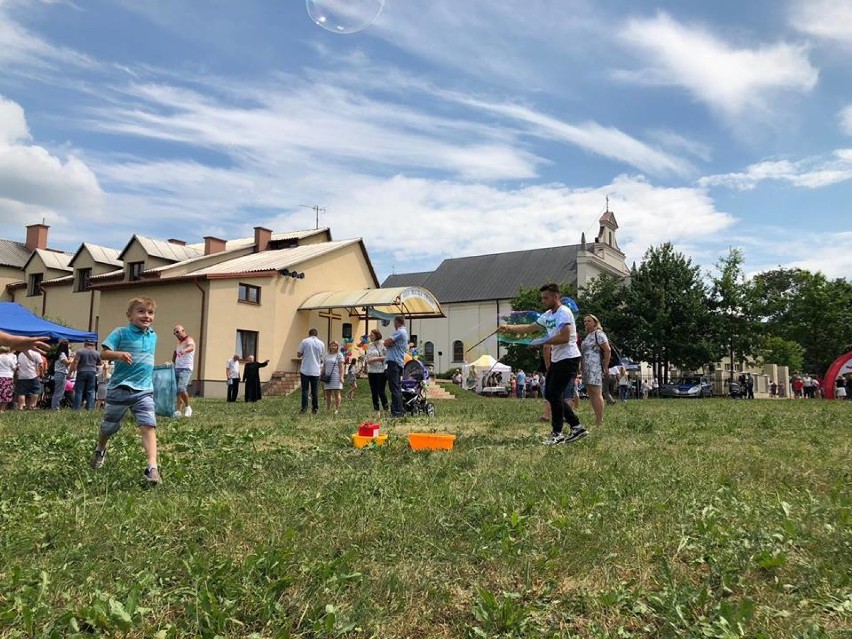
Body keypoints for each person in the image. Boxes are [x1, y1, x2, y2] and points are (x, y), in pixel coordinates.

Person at [498, 283, 585, 445]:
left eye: (546, 298)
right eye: (542, 298)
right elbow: (531, 327)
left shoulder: (563, 313)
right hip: (558, 359)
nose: (543, 301)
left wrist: (541, 341)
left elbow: (565, 337)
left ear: (556, 297)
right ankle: (576, 426)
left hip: (569, 358)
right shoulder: (548, 314)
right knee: (552, 394)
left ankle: (558, 433)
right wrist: (508, 327)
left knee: (553, 394)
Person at [90, 296, 161, 484]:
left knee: (148, 425)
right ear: (129, 315)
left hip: (144, 390)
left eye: (150, 312)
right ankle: (100, 448)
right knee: (109, 427)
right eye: (141, 311)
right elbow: (103, 353)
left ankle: (152, 467)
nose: (146, 315)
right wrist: (118, 354)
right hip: (120, 388)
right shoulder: (120, 333)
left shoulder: (153, 335)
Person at [580, 314, 611, 427]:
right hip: (586, 368)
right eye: (585, 322)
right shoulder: (588, 336)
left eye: (588, 321)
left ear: (594, 322)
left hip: (595, 367)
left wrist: (605, 365)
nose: (586, 323)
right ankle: (597, 417)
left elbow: (607, 350)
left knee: (596, 392)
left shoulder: (599, 334)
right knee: (591, 393)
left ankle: (600, 419)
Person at [383, 316, 409, 419]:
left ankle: (397, 412)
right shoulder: (404, 332)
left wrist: (389, 343)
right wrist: (390, 343)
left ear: (396, 322)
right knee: (396, 387)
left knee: (394, 388)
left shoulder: (400, 332)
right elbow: (388, 343)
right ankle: (398, 410)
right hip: (398, 362)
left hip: (393, 363)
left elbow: (386, 342)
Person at [297, 328, 325, 414]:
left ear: (309, 334)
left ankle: (304, 408)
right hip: (316, 370)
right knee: (315, 391)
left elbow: (299, 354)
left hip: (305, 369)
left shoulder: (304, 341)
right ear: (316, 335)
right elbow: (321, 355)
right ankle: (315, 408)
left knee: (305, 390)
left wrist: (303, 353)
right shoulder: (321, 343)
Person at [70, 340, 101, 410]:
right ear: (93, 345)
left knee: (79, 391)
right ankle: (90, 408)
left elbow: (75, 362)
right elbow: (100, 363)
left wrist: (70, 372)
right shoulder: (96, 353)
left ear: (85, 344)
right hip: (92, 372)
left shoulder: (80, 351)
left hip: (81, 371)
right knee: (91, 391)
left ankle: (76, 408)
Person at [172, 325, 195, 417]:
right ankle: (178, 411)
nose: (176, 334)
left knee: (181, 388)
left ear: (183, 330)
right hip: (177, 367)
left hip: (186, 368)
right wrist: (172, 361)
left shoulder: (189, 339)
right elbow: (175, 353)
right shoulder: (179, 344)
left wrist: (185, 350)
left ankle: (188, 407)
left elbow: (191, 347)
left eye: (177, 332)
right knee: (178, 391)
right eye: (174, 333)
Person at [365, 329, 388, 413]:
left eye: (372, 335)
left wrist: (376, 358)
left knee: (381, 391)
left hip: (381, 371)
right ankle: (376, 409)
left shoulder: (382, 344)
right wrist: (367, 360)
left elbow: (387, 356)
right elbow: (367, 355)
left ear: (376, 335)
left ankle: (385, 408)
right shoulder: (370, 345)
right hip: (371, 370)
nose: (370, 337)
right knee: (373, 391)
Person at [16, 346, 43, 410]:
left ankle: (21, 406)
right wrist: (40, 374)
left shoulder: (21, 354)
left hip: (21, 375)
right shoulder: (36, 353)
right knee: (35, 390)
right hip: (32, 374)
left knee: (21, 392)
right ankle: (32, 405)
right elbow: (41, 365)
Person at [322, 341, 344, 414]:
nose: (334, 347)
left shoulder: (339, 355)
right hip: (327, 377)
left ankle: (337, 409)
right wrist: (321, 374)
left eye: (335, 345)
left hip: (336, 376)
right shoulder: (326, 355)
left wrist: (341, 376)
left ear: (337, 347)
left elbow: (341, 367)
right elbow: (324, 366)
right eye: (332, 345)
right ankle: (328, 408)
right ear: (330, 346)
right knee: (328, 394)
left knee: (336, 394)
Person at [51, 340, 71, 410]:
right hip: (60, 373)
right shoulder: (62, 354)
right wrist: (72, 359)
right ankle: (55, 407)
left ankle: (56, 406)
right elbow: (67, 363)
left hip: (61, 373)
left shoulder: (61, 354)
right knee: (59, 391)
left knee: (60, 391)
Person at [0, 346, 16, 413]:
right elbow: (14, 368)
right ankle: (2, 409)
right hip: (7, 376)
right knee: (6, 393)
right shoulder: (10, 358)